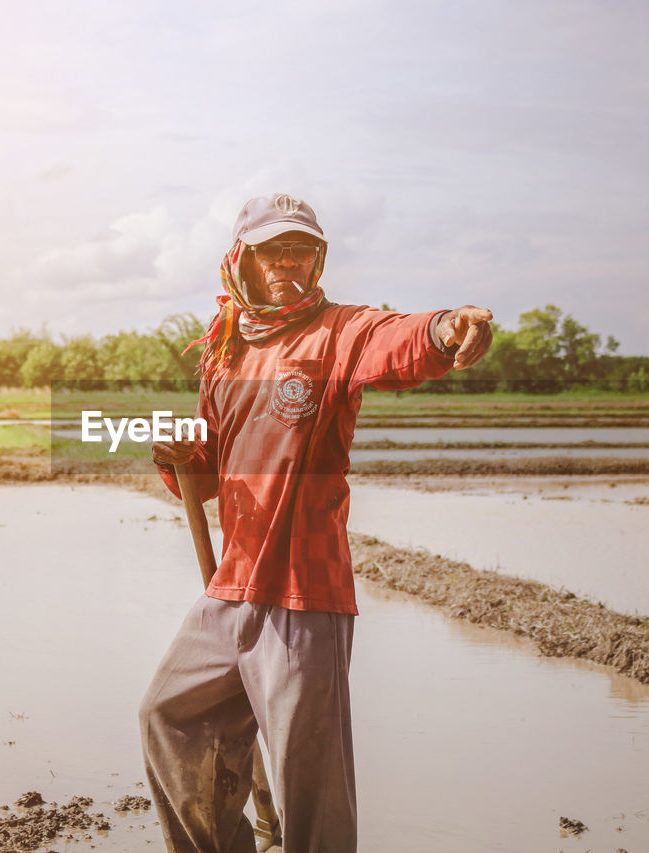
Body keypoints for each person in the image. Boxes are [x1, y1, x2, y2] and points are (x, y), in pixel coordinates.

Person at [139, 193, 493, 853]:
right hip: (232, 588)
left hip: (305, 594)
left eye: (300, 248)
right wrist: (182, 455)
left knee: (311, 782)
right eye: (272, 250)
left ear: (319, 257)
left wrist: (446, 327)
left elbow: (397, 340)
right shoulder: (224, 351)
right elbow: (211, 470)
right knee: (169, 715)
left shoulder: (338, 332)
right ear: (242, 259)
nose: (286, 261)